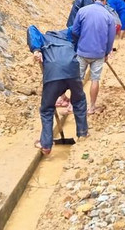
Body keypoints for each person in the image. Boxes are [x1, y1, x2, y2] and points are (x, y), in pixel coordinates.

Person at [27, 25, 88, 156]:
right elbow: (78, 28)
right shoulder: (67, 36)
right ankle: (82, 134)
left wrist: (36, 49)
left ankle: (46, 145)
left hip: (53, 74)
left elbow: (31, 29)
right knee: (79, 101)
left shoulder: (42, 38)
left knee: (47, 109)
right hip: (73, 70)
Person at [71, 0, 117, 114]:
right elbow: (110, 37)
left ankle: (76, 106)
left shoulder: (82, 11)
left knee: (78, 79)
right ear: (105, 0)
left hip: (82, 51)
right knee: (95, 79)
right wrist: (107, 53)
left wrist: (81, 40)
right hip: (98, 53)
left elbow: (74, 31)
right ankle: (91, 107)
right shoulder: (109, 16)